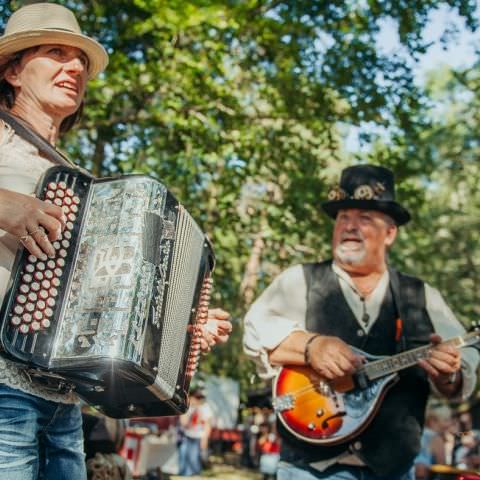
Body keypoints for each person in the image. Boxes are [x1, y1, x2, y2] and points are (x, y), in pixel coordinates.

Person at [0, 3, 231, 479]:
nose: (75, 67)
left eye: (80, 59)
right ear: (14, 72)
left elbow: (109, 300)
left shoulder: (80, 180)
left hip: (61, 399)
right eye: (55, 52)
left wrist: (183, 328)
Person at [243, 164, 479, 480]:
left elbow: (459, 373)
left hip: (392, 471)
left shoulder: (421, 296)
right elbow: (256, 331)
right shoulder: (300, 280)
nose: (350, 227)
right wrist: (311, 346)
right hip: (307, 469)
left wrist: (447, 373)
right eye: (343, 218)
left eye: (364, 219)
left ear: (390, 233)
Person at [177, 387, 213, 476]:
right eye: (196, 397)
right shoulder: (187, 407)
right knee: (184, 456)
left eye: (200, 398)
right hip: (186, 435)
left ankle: (195, 474)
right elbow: (183, 422)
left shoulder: (205, 407)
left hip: (197, 436)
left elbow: (207, 425)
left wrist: (205, 439)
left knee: (193, 458)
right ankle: (185, 474)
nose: (198, 400)